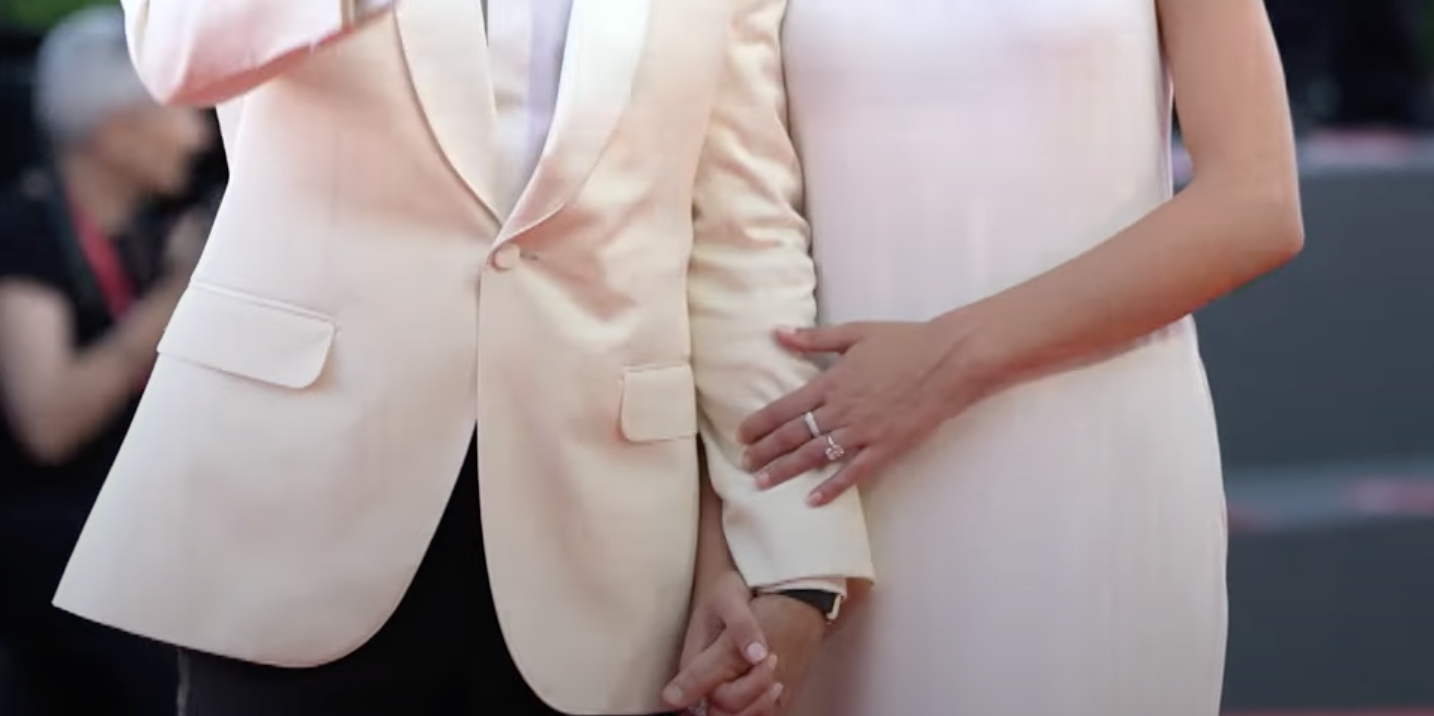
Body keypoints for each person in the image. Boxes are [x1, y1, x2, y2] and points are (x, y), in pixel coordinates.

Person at [53, 1, 874, 715]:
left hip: (605, 557)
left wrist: (795, 562)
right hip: (288, 523)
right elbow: (178, 46)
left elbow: (743, 236)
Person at [737, 0, 1304, 714]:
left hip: (1098, 467)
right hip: (844, 477)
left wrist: (946, 360)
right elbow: (732, 224)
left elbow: (1257, 202)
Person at [0, 8, 212, 715]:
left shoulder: (152, 236)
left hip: (140, 518)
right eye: (181, 114)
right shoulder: (24, 239)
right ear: (115, 129)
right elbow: (49, 424)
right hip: (55, 538)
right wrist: (177, 297)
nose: (199, 136)